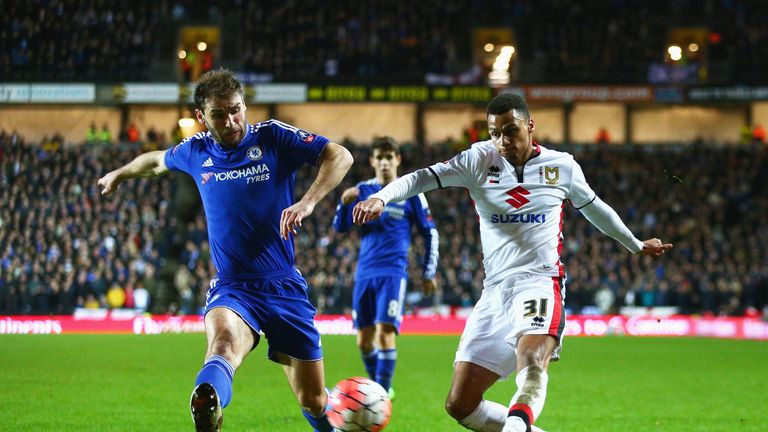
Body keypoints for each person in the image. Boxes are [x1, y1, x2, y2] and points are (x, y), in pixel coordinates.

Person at [352, 93, 672, 432]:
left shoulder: (561, 166)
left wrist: (634, 244)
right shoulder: (477, 160)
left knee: (532, 362)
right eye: (494, 133)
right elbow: (422, 178)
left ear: (530, 125)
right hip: (495, 291)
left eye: (511, 130)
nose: (503, 140)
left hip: (540, 281)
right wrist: (381, 196)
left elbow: (594, 207)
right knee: (459, 404)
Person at [98, 68, 353, 432]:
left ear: (245, 105)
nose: (231, 121)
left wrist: (308, 202)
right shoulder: (196, 150)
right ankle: (208, 401)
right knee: (223, 344)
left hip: (284, 287)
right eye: (219, 114)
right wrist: (118, 174)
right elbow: (155, 161)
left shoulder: (274, 137)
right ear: (202, 117)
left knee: (313, 400)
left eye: (236, 109)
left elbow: (339, 155)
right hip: (233, 287)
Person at [332, 136, 439, 399]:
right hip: (365, 272)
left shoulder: (410, 192)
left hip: (393, 272)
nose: (384, 162)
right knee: (364, 341)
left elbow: (430, 233)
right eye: (379, 157)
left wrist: (428, 271)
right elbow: (340, 227)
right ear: (372, 161)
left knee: (384, 334)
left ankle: (381, 393)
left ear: (397, 160)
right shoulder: (362, 190)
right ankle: (377, 388)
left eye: (389, 157)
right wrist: (344, 205)